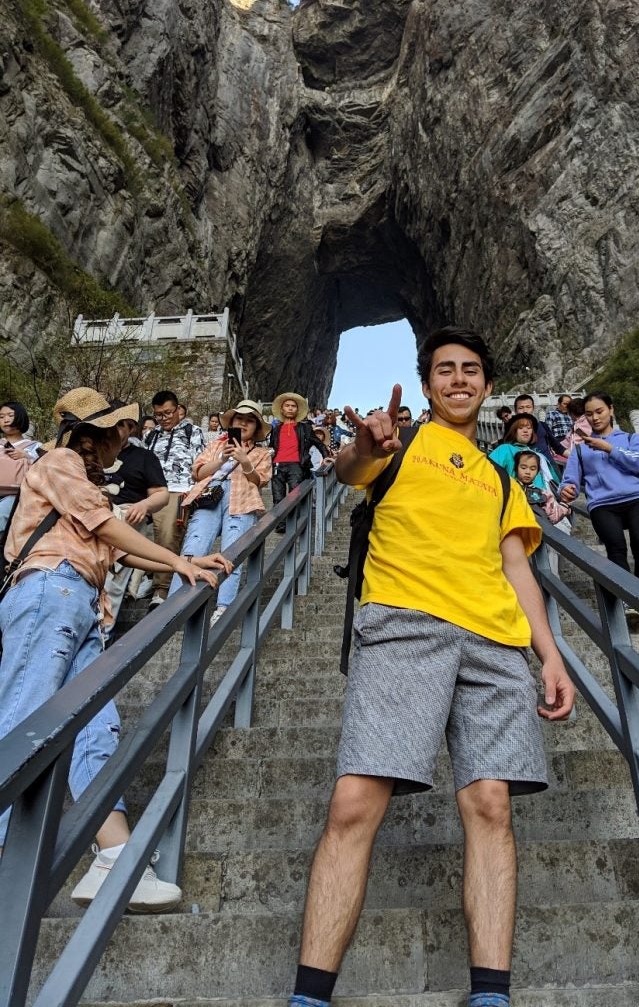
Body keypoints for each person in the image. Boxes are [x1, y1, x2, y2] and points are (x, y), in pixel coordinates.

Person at [288, 329, 575, 1007]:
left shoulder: (502, 476)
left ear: (487, 384)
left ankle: (491, 993)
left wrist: (551, 653)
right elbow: (350, 471)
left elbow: (516, 564)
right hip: (404, 624)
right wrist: (365, 444)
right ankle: (308, 995)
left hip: (494, 642)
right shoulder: (402, 441)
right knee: (355, 803)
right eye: (443, 370)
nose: (457, 379)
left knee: (491, 804)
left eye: (470, 369)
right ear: (425, 385)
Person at [0, 388, 231, 909]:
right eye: (117, 432)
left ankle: (115, 857)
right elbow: (108, 529)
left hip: (82, 604)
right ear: (93, 435)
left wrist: (193, 563)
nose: (123, 440)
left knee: (96, 725)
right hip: (48, 592)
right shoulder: (58, 462)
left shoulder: (85, 486)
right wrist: (179, 564)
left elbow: (117, 553)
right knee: (22, 714)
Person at [169, 401, 273, 625]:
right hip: (210, 496)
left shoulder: (262, 453)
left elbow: (260, 481)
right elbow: (198, 473)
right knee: (194, 546)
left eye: (249, 420)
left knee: (232, 552)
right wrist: (223, 459)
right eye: (239, 419)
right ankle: (175, 606)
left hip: (243, 499)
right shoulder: (217, 444)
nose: (243, 423)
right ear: (231, 422)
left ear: (256, 427)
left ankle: (224, 605)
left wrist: (245, 461)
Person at [558, 390, 639, 622]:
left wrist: (609, 448)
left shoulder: (632, 439)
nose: (595, 418)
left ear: (611, 410)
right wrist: (567, 489)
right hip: (602, 503)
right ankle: (625, 599)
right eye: (589, 414)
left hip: (636, 498)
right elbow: (570, 479)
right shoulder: (580, 449)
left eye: (600, 411)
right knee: (616, 548)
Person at [103, 415, 169, 638]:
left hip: (129, 515)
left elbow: (162, 495)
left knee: (113, 576)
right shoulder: (91, 454)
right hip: (94, 515)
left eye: (118, 425)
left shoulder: (143, 456)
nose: (111, 430)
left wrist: (144, 505)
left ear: (129, 427)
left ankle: (103, 635)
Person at [143, 391, 206, 607]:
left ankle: (161, 590)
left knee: (169, 535)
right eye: (159, 415)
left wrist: (193, 491)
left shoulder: (193, 431)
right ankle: (149, 578)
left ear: (178, 409)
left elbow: (200, 464)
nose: (164, 418)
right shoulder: (150, 436)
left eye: (168, 413)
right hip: (149, 491)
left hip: (178, 490)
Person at [269, 391, 327, 532]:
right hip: (277, 464)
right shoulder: (276, 429)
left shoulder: (305, 428)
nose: (290, 408)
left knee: (295, 494)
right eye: (287, 405)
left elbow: (318, 443)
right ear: (282, 409)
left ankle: (296, 523)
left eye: (293, 406)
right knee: (278, 496)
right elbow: (272, 446)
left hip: (296, 464)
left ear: (297, 409)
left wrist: (325, 456)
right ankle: (281, 524)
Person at [490, 413, 561, 493]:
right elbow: (489, 474)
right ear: (513, 431)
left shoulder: (539, 455)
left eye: (529, 428)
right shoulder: (504, 449)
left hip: (540, 500)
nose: (525, 431)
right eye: (520, 428)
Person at [0, 401, 41, 533]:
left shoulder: (35, 447)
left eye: (10, 415)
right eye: (1, 417)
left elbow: (44, 469)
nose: (6, 420)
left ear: (21, 417)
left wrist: (26, 456)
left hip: (18, 496)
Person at [513, 393, 566, 461]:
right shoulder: (511, 430)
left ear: (533, 408)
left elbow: (558, 448)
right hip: (526, 468)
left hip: (548, 466)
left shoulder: (543, 425)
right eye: (521, 408)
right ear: (515, 410)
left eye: (528, 407)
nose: (525, 411)